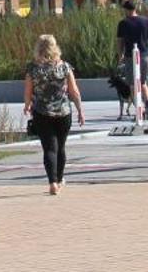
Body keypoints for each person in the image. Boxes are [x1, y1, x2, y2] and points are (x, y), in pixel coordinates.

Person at [22, 33, 85, 194]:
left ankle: (52, 182)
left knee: (49, 148)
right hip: (63, 113)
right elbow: (74, 91)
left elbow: (28, 91)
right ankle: (59, 178)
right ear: (55, 47)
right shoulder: (64, 67)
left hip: (42, 113)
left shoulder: (32, 69)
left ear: (38, 48)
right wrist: (80, 110)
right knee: (61, 147)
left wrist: (27, 105)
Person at [114, 1, 148, 117]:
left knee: (132, 84)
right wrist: (144, 40)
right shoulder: (146, 21)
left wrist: (120, 55)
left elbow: (120, 41)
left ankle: (139, 108)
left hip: (130, 56)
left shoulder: (123, 23)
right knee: (143, 82)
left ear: (127, 10)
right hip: (144, 55)